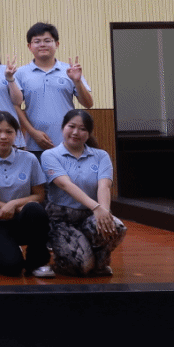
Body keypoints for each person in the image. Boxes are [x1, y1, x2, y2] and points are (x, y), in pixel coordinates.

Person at [41, 110, 126, 276]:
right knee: (83, 266)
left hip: (89, 215)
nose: (75, 132)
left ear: (88, 133)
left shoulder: (101, 156)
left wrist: (104, 212)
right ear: (63, 128)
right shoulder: (50, 155)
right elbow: (65, 184)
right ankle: (76, 258)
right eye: (71, 126)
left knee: (115, 227)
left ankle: (100, 262)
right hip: (62, 220)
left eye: (82, 129)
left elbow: (104, 186)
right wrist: (96, 207)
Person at [0, 111, 50, 277]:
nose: (3, 136)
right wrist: (5, 208)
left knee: (36, 210)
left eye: (9, 132)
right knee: (11, 267)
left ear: (17, 134)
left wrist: (13, 205)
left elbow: (39, 195)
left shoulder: (29, 159)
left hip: (22, 218)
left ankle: (38, 262)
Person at [17, 22, 93, 155]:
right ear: (29, 46)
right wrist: (32, 132)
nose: (42, 45)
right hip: (35, 144)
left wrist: (78, 81)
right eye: (37, 41)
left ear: (57, 44)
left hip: (68, 143)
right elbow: (15, 106)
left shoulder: (70, 70)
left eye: (47, 41)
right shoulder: (20, 73)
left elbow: (88, 104)